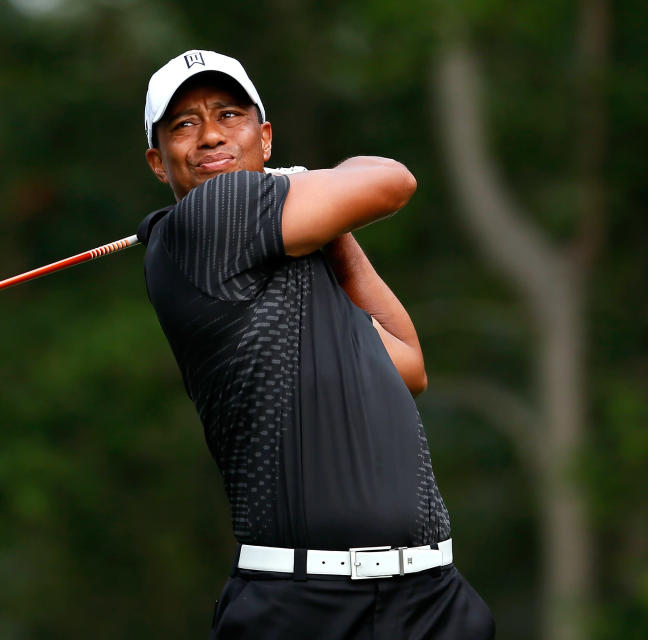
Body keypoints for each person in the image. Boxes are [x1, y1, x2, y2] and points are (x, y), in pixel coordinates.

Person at [136, 50, 495, 639]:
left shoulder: (288, 250)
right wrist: (309, 183)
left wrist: (326, 224)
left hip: (432, 598)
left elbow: (407, 364)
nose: (209, 136)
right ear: (158, 161)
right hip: (306, 608)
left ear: (265, 136)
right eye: (183, 124)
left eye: (230, 114)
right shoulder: (207, 220)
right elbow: (392, 179)